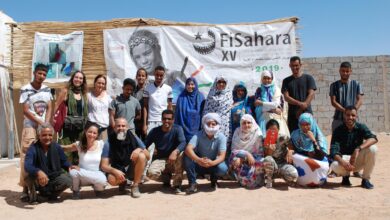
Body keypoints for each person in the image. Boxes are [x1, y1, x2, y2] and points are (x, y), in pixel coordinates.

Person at [19, 64, 53, 201]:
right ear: (34, 73)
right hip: (30, 127)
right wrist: (40, 122)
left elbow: (50, 107)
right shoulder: (25, 89)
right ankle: (25, 188)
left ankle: (41, 185)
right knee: (27, 156)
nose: (42, 76)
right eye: (40, 73)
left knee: (43, 154)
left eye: (44, 74)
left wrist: (46, 124)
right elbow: (26, 110)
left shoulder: (46, 89)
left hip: (43, 126)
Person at [128, 29, 187, 103]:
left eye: (147, 53)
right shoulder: (136, 84)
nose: (144, 61)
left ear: (158, 49)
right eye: (137, 57)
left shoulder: (174, 76)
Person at [329, 106, 377, 189]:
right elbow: (333, 150)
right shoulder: (338, 130)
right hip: (344, 161)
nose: (350, 117)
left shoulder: (361, 127)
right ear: (344, 116)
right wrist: (343, 162)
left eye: (353, 115)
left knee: (373, 149)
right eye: (348, 115)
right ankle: (345, 177)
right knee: (334, 165)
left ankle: (365, 179)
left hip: (357, 160)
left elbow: (373, 138)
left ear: (356, 116)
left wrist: (358, 149)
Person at [100, 118, 150, 198]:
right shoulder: (109, 142)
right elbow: (103, 165)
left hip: (131, 167)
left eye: (123, 126)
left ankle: (135, 186)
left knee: (142, 156)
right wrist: (115, 171)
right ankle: (122, 183)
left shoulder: (133, 137)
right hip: (118, 168)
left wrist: (139, 149)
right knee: (112, 180)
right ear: (114, 127)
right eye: (118, 126)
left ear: (127, 127)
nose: (121, 128)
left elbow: (148, 155)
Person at [24, 123, 72, 203]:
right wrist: (38, 172)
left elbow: (64, 162)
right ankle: (35, 196)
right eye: (44, 135)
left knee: (69, 180)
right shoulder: (33, 148)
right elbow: (27, 165)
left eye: (50, 135)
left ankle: (49, 196)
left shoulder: (56, 147)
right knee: (29, 178)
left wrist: (70, 166)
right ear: (39, 136)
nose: (47, 137)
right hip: (38, 179)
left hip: (53, 177)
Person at [184, 113, 228, 194]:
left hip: (213, 164)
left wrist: (212, 163)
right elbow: (188, 149)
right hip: (200, 163)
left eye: (213, 124)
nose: (211, 126)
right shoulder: (198, 134)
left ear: (217, 124)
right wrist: (198, 160)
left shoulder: (221, 137)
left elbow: (222, 156)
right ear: (204, 124)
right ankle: (192, 184)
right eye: (208, 123)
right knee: (187, 157)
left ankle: (214, 181)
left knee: (223, 168)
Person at [62, 123, 107, 199]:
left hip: (95, 173)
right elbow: (65, 148)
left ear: (97, 135)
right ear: (85, 131)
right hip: (81, 174)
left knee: (103, 180)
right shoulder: (79, 144)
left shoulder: (101, 144)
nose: (91, 135)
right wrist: (51, 144)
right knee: (73, 172)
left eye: (94, 133)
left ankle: (97, 188)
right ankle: (75, 191)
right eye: (90, 132)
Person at [145, 109, 186, 193]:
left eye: (169, 119)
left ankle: (177, 184)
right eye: (164, 119)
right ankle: (166, 179)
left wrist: (175, 151)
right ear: (161, 119)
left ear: (173, 120)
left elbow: (183, 142)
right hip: (160, 158)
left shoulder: (178, 129)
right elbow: (145, 144)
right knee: (151, 173)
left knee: (181, 154)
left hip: (174, 158)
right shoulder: (154, 131)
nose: (166, 121)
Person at [54, 70, 88, 164]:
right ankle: (65, 173)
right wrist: (54, 121)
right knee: (66, 150)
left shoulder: (84, 94)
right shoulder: (66, 91)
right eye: (76, 77)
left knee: (79, 150)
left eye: (81, 78)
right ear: (72, 79)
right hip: (67, 127)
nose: (78, 80)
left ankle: (76, 173)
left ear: (83, 80)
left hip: (80, 127)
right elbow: (57, 106)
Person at [289, 113, 329, 187]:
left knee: (323, 165)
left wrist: (313, 140)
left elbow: (321, 156)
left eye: (307, 124)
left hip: (317, 160)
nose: (305, 127)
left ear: (312, 123)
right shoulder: (295, 135)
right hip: (303, 161)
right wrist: (290, 151)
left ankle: (319, 180)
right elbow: (294, 151)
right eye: (302, 124)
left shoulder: (319, 136)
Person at [282, 56, 317, 132]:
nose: (294, 68)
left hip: (307, 114)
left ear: (300, 65)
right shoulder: (286, 81)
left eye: (296, 65)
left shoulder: (308, 78)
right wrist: (300, 104)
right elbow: (286, 97)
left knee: (309, 137)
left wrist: (301, 108)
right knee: (295, 139)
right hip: (293, 116)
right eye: (292, 66)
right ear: (289, 66)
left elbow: (311, 94)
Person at [229, 114, 264, 188]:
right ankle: (240, 176)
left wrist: (250, 157)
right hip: (241, 159)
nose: (246, 125)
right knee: (234, 159)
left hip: (254, 160)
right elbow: (233, 151)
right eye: (244, 123)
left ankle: (257, 177)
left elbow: (260, 153)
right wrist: (246, 154)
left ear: (252, 123)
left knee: (262, 161)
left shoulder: (257, 133)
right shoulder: (237, 132)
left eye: (248, 123)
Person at [263, 119, 298, 188]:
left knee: (293, 174)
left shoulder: (284, 138)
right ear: (267, 131)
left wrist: (290, 152)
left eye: (275, 130)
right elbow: (265, 157)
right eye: (270, 130)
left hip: (282, 164)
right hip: (271, 165)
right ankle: (269, 179)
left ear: (278, 130)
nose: (273, 132)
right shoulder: (264, 140)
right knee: (268, 159)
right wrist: (270, 150)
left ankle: (284, 177)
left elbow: (292, 148)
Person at [329, 61, 364, 132]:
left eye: (347, 71)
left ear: (350, 71)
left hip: (353, 120)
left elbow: (360, 100)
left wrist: (351, 112)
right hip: (338, 120)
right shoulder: (334, 85)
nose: (345, 73)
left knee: (355, 141)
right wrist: (345, 111)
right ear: (339, 71)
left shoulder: (357, 84)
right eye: (343, 71)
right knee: (337, 141)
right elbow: (333, 102)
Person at [254, 70, 289, 137]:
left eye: (269, 78)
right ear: (262, 79)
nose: (266, 80)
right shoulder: (259, 90)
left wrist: (262, 103)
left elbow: (276, 104)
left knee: (279, 139)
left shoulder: (277, 89)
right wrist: (273, 109)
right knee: (264, 139)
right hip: (263, 120)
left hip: (276, 120)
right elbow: (257, 106)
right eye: (264, 78)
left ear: (272, 79)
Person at [202, 76, 233, 149]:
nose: (221, 84)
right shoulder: (211, 95)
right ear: (216, 83)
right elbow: (206, 110)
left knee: (222, 144)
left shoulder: (229, 94)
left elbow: (228, 109)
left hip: (224, 125)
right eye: (219, 82)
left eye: (223, 82)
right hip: (211, 123)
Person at [174, 77, 205, 142]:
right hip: (183, 128)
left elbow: (203, 113)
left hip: (196, 129)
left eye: (192, 84)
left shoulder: (201, 97)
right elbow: (177, 114)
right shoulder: (181, 97)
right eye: (188, 84)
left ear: (195, 85)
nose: (190, 86)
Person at [87, 75, 112, 139]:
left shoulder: (108, 96)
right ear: (94, 83)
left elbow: (111, 111)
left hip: (104, 128)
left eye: (103, 84)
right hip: (92, 128)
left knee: (103, 147)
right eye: (99, 83)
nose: (101, 85)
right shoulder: (89, 96)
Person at [134, 68, 148, 140]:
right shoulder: (132, 91)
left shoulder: (149, 90)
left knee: (146, 145)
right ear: (136, 77)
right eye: (139, 75)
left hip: (146, 123)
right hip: (135, 123)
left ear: (146, 77)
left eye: (143, 76)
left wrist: (145, 124)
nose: (141, 77)